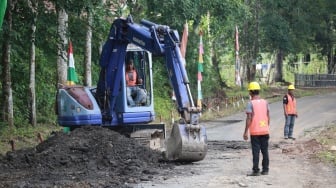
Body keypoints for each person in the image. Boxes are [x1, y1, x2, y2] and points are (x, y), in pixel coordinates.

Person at [243, 82, 270, 176]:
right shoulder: (265, 102)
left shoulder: (250, 103)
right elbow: (268, 116)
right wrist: (266, 126)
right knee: (265, 151)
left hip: (255, 132)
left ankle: (256, 170)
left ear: (251, 92)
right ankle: (265, 170)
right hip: (265, 131)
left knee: (256, 152)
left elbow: (249, 118)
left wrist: (246, 131)